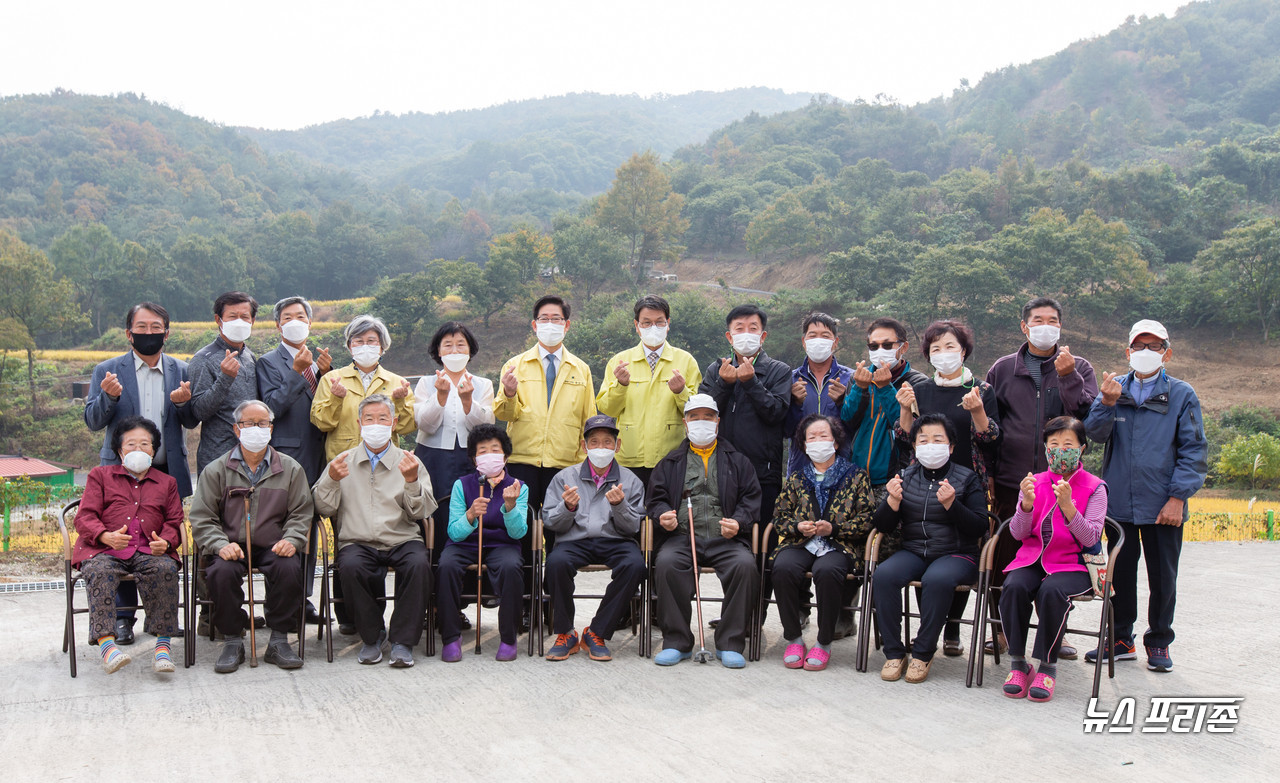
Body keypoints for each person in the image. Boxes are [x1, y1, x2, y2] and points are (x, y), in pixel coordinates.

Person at [1084, 319, 1207, 673]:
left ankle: (1158, 642)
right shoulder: (1113, 388)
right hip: (1119, 500)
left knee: (1163, 576)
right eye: (1139, 346)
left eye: (1154, 346)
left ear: (1167, 353)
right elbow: (1095, 434)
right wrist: (1106, 403)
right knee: (1120, 574)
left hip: (1163, 504)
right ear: (1127, 352)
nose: (1146, 352)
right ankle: (1120, 639)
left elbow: (1193, 450)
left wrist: (1178, 497)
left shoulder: (1182, 394)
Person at [985, 297, 1098, 659]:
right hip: (1012, 481)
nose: (1045, 325)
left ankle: (1055, 634)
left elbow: (1087, 418)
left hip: (1065, 486)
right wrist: (989, 471)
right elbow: (989, 427)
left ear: (1061, 327)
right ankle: (1001, 631)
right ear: (1024, 326)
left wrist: (1067, 377)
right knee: (1007, 558)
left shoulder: (1078, 366)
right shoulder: (1002, 369)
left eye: (1052, 320)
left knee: (1059, 558)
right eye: (1038, 319)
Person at [83, 302, 197, 645]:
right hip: (119, 474)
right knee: (121, 540)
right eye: (142, 327)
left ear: (167, 331)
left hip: (165, 470)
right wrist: (109, 398)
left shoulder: (182, 369)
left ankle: (164, 619)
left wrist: (182, 403)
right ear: (128, 332)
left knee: (160, 543)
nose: (150, 333)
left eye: (156, 327)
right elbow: (92, 420)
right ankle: (121, 619)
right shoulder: (107, 370)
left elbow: (191, 420)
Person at [894, 318, 1000, 656]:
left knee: (959, 549)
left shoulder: (981, 390)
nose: (943, 353)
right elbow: (904, 437)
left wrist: (979, 411)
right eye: (936, 348)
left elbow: (992, 439)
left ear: (964, 350)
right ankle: (929, 627)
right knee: (923, 547)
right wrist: (903, 408)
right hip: (922, 480)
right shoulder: (921, 389)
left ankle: (951, 627)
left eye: (950, 346)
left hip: (968, 480)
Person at [189, 400, 314, 673]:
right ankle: (233, 639)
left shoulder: (290, 469)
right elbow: (201, 517)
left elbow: (301, 512)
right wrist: (220, 544)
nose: (256, 429)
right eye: (249, 424)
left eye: (263, 423)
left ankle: (279, 639)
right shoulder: (216, 470)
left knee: (290, 568)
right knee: (220, 573)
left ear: (271, 428)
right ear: (237, 429)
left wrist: (292, 539)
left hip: (273, 543)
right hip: (231, 544)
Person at [313, 394, 435, 668]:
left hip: (401, 538)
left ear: (393, 423)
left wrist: (412, 481)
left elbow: (422, 512)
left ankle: (403, 641)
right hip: (357, 540)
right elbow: (322, 507)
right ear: (359, 424)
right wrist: (332, 479)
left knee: (419, 565)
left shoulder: (408, 461)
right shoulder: (342, 461)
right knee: (351, 567)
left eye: (383, 418)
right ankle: (372, 636)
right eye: (369, 419)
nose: (376, 424)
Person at [647, 394, 761, 669]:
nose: (701, 423)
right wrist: (663, 516)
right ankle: (677, 642)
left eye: (707, 417)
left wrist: (739, 522)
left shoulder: (738, 460)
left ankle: (730, 643)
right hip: (683, 537)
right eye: (694, 417)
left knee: (745, 565)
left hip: (726, 539)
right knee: (666, 563)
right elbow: (656, 499)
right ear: (685, 423)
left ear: (718, 422)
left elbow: (751, 499)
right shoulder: (671, 462)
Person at [872, 413, 987, 684]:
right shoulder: (905, 476)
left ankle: (923, 653)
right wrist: (892, 502)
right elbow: (881, 525)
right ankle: (894, 653)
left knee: (937, 579)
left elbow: (980, 526)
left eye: (938, 440)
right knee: (884, 575)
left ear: (950, 446)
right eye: (923, 440)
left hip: (956, 553)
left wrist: (952, 505)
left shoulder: (967, 479)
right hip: (913, 550)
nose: (930, 445)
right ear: (914, 446)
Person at [999, 417, 1106, 702]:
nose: (1060, 450)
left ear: (1082, 449)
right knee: (1014, 586)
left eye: (1068, 444)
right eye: (1053, 444)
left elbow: (1091, 539)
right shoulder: (1034, 481)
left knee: (1052, 590)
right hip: (1034, 559)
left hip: (1073, 563)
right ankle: (1019, 664)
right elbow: (1019, 533)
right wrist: (1026, 505)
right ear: (1045, 448)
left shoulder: (1095, 487)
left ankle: (1048, 666)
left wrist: (1069, 507)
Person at [72, 417, 183, 674]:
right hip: (106, 550)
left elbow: (174, 519)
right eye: (131, 444)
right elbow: (84, 516)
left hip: (148, 550)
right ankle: (108, 647)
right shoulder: (100, 476)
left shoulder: (167, 483)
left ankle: (163, 648)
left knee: (165, 569)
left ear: (154, 450)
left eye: (145, 444)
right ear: (119, 451)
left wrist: (165, 542)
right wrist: (104, 536)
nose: (138, 450)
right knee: (99, 571)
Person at [770, 414, 875, 670]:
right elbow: (779, 516)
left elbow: (868, 518)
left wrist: (835, 528)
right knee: (783, 567)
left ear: (836, 442)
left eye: (823, 436)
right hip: (801, 543)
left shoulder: (856, 476)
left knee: (827, 570)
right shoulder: (796, 478)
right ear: (804, 445)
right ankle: (794, 638)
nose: (817, 441)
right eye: (811, 438)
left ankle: (824, 641)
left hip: (840, 544)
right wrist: (798, 526)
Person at [541, 415, 647, 662]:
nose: (601, 447)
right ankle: (566, 633)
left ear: (617, 446)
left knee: (634, 566)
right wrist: (566, 508)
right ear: (584, 446)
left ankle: (597, 632)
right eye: (595, 442)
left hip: (616, 541)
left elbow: (633, 527)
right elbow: (550, 522)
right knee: (556, 563)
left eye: (608, 442)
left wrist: (620, 505)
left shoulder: (631, 480)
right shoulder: (564, 478)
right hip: (574, 541)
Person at [257, 296, 332, 625]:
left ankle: (304, 599)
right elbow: (271, 406)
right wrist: (298, 372)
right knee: (283, 529)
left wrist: (324, 375)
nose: (295, 321)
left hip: (319, 457)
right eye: (288, 317)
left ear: (310, 322)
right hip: (286, 456)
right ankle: (280, 601)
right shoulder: (268, 363)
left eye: (301, 316)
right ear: (278, 325)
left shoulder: (321, 362)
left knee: (310, 529)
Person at [494, 295, 597, 513]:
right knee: (521, 522)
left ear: (567, 325)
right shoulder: (514, 366)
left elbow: (589, 419)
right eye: (544, 318)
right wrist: (509, 393)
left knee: (561, 526)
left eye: (556, 319)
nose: (550, 324)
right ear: (534, 325)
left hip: (565, 462)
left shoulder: (581, 369)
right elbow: (504, 415)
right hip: (522, 459)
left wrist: (585, 461)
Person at [436, 424, 530, 662]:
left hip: (503, 545)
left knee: (511, 567)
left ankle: (508, 638)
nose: (489, 455)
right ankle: (450, 637)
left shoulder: (519, 486)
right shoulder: (462, 485)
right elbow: (454, 533)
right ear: (474, 458)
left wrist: (510, 508)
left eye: (494, 449)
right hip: (465, 544)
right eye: (482, 451)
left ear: (505, 455)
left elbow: (519, 533)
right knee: (446, 565)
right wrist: (469, 515)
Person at [595, 295, 702, 491]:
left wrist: (680, 391)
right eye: (646, 323)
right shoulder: (620, 361)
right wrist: (621, 385)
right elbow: (607, 409)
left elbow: (697, 413)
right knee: (629, 515)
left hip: (671, 457)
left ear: (668, 324)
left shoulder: (686, 361)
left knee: (665, 517)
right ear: (637, 326)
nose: (653, 328)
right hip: (629, 458)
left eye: (659, 322)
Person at [698, 304, 790, 527]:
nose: (746, 334)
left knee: (760, 531)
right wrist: (724, 383)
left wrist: (751, 382)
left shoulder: (779, 370)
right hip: (720, 468)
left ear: (763, 335)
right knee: (724, 529)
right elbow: (702, 414)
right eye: (740, 329)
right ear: (730, 337)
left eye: (753, 328)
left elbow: (776, 413)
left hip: (763, 471)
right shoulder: (716, 369)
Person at [412, 321, 494, 559]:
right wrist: (441, 395)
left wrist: (468, 401)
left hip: (471, 459)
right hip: (432, 457)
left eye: (461, 344)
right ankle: (434, 577)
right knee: (435, 510)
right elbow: (425, 424)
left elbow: (485, 427)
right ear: (438, 351)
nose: (454, 350)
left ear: (470, 350)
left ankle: (471, 577)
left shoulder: (483, 384)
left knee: (471, 508)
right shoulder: (426, 383)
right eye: (448, 345)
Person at [840, 317, 928, 498]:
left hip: (896, 477)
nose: (880, 351)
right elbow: (848, 420)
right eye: (874, 346)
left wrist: (885, 388)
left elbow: (909, 431)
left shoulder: (918, 383)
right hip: (857, 476)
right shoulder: (859, 378)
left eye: (887, 345)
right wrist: (859, 388)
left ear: (903, 347)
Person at [311, 314, 415, 461]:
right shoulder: (331, 379)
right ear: (350, 347)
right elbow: (322, 424)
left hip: (386, 461)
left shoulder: (398, 382)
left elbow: (407, 427)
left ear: (381, 347)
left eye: (371, 341)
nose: (365, 346)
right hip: (343, 461)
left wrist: (399, 402)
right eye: (359, 341)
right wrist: (335, 399)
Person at [187, 291, 261, 475]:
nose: (239, 321)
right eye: (232, 316)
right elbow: (199, 411)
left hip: (251, 454)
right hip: (219, 457)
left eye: (244, 317)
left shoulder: (250, 356)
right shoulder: (204, 359)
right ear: (219, 320)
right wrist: (225, 378)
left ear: (252, 321)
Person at [784, 312, 853, 476]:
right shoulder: (790, 379)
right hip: (800, 470)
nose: (818, 340)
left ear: (835, 342)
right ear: (804, 342)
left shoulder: (851, 378)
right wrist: (795, 403)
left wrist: (844, 402)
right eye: (812, 335)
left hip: (842, 469)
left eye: (825, 336)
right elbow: (785, 430)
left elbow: (856, 428)